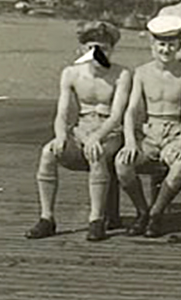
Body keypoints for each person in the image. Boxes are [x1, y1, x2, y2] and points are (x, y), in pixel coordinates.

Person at [26, 21, 131, 242]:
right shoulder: (71, 73)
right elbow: (62, 113)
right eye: (92, 47)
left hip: (109, 133)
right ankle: (47, 218)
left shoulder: (121, 75)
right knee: (48, 153)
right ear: (83, 49)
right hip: (80, 129)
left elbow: (116, 116)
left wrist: (97, 137)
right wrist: (61, 135)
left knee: (97, 154)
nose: (98, 53)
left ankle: (96, 220)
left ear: (111, 49)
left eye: (104, 48)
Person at [116, 15, 181, 240]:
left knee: (180, 165)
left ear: (179, 45)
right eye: (161, 44)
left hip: (176, 133)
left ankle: (156, 213)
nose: (166, 49)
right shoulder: (142, 72)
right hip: (149, 135)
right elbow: (131, 111)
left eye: (171, 44)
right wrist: (130, 141)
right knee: (122, 164)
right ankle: (142, 210)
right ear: (153, 45)